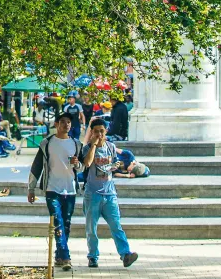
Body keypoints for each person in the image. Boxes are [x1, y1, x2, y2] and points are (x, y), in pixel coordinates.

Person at [28, 113, 82, 271]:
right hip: (52, 189)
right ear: (57, 124)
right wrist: (31, 188)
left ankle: (59, 256)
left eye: (69, 122)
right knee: (57, 222)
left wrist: (77, 164)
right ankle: (66, 257)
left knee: (66, 224)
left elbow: (82, 168)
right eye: (63, 122)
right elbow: (37, 166)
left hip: (70, 189)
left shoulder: (76, 144)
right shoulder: (47, 143)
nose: (66, 125)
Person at [82, 118, 139, 269]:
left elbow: (115, 164)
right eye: (96, 132)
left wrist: (116, 165)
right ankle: (93, 256)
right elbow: (87, 163)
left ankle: (125, 254)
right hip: (92, 194)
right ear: (92, 133)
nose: (99, 134)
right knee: (91, 228)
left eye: (102, 131)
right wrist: (94, 145)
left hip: (109, 193)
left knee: (116, 226)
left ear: (106, 131)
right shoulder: (87, 148)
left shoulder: (111, 147)